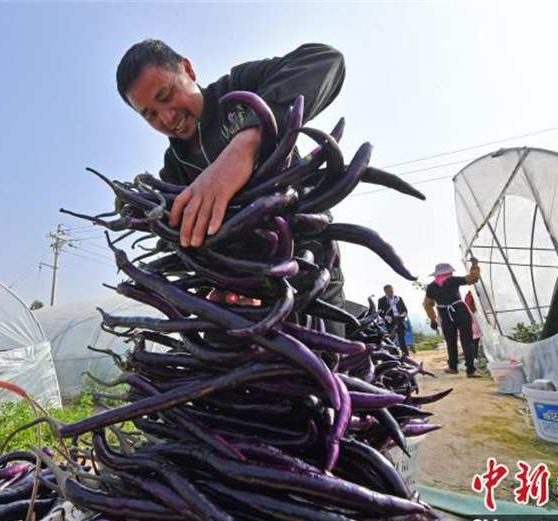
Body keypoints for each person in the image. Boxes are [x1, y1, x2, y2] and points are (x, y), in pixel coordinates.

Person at [116, 39, 347, 336]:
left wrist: (246, 142)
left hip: (310, 267)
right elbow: (189, 246)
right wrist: (222, 283)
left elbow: (326, 60)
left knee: (329, 365)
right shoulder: (173, 169)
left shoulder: (239, 88)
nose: (167, 117)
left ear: (188, 69)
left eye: (166, 95)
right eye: (150, 115)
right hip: (246, 295)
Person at [423, 258, 481, 377]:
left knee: (451, 341)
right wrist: (475, 265)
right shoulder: (453, 280)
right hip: (460, 311)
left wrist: (432, 318)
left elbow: (427, 304)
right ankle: (470, 370)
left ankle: (453, 367)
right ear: (448, 272)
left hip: (445, 314)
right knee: (467, 341)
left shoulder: (431, 287)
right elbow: (473, 278)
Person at [377, 284, 408, 353]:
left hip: (400, 320)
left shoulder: (399, 299)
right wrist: (385, 316)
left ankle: (405, 355)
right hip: (390, 321)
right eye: (388, 292)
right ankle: (393, 356)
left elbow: (405, 310)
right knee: (391, 340)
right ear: (385, 292)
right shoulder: (381, 300)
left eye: (391, 291)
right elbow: (379, 312)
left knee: (402, 340)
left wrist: (402, 315)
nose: (390, 293)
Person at [465, 289, 482, 359]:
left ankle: (472, 357)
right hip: (473, 328)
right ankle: (474, 357)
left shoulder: (468, 296)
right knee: (474, 342)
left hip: (471, 327)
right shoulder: (470, 296)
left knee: (473, 342)